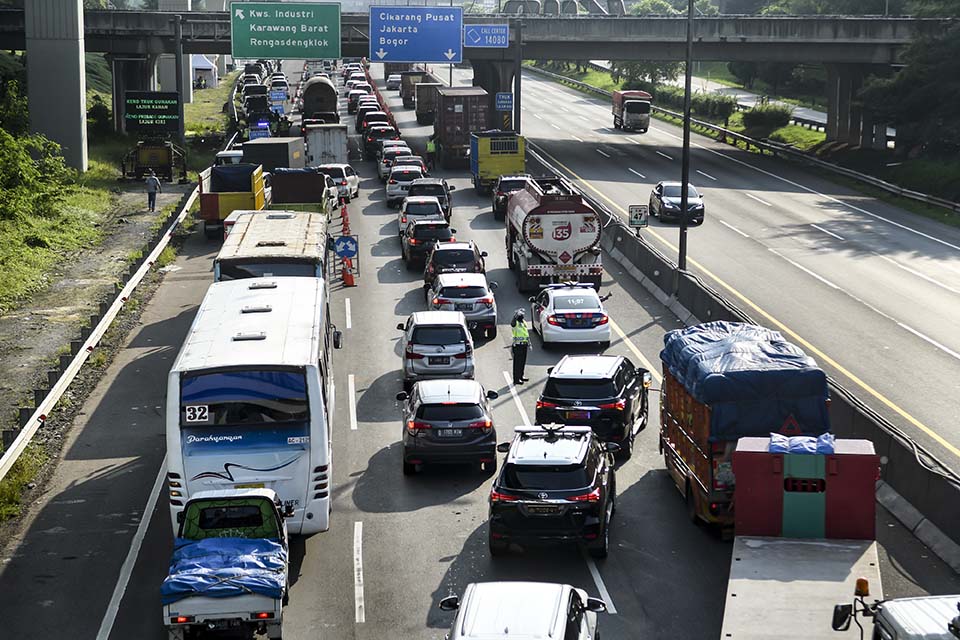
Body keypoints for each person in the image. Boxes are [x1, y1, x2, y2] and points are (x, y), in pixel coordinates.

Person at [510, 308, 530, 385]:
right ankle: (516, 379)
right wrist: (515, 316)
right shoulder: (515, 323)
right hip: (518, 345)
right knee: (517, 363)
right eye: (521, 315)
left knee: (522, 362)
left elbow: (526, 333)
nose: (522, 316)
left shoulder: (523, 322)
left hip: (524, 345)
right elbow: (512, 323)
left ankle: (521, 376)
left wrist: (528, 342)